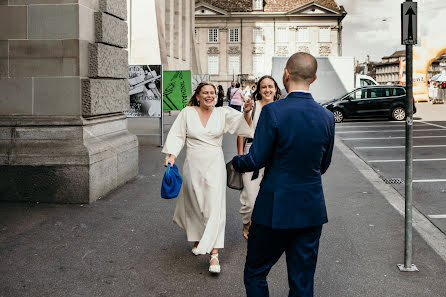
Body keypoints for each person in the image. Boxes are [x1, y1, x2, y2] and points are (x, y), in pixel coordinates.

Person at [231, 52, 335, 296]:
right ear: (315, 78)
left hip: (274, 209)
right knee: (302, 281)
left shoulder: (273, 111)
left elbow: (256, 159)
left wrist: (236, 162)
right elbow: (323, 165)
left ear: (286, 74)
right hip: (310, 209)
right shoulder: (327, 117)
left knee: (256, 272)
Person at [162, 82, 254, 274]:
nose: (210, 96)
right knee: (194, 203)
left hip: (214, 164)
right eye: (205, 93)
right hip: (193, 165)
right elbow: (178, 136)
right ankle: (198, 238)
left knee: (214, 207)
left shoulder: (223, 113)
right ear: (198, 96)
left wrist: (246, 111)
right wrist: (171, 155)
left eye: (212, 93)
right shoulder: (187, 113)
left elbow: (242, 126)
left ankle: (214, 254)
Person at [236, 75, 281, 240]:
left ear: (276, 89)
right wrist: (240, 158)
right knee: (250, 199)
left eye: (271, 86)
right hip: (252, 152)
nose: (267, 90)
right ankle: (247, 222)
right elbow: (241, 132)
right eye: (264, 87)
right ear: (259, 90)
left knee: (271, 197)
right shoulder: (253, 107)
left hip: (275, 156)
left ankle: (265, 228)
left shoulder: (281, 108)